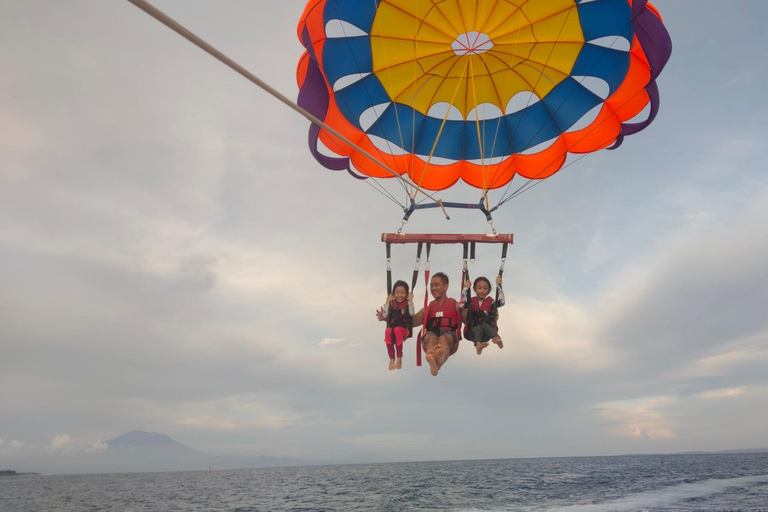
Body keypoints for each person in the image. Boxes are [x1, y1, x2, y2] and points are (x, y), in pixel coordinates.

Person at [462, 275, 505, 355]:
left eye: (485, 288)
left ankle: (497, 339)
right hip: (472, 331)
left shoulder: (491, 301)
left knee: (485, 325)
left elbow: (502, 302)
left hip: (487, 332)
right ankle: (478, 345)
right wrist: (465, 288)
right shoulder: (470, 301)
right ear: (474, 289)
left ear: (488, 290)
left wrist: (499, 285)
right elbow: (461, 304)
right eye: (479, 288)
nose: (482, 291)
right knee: (477, 328)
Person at [380, 280, 414, 370]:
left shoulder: (407, 302)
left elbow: (411, 313)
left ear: (407, 294)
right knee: (388, 331)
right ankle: (391, 359)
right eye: (397, 293)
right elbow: (385, 315)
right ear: (393, 294)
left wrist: (410, 300)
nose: (400, 295)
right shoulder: (391, 303)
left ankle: (399, 358)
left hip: (403, 330)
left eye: (403, 293)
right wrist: (387, 302)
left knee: (397, 330)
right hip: (392, 329)